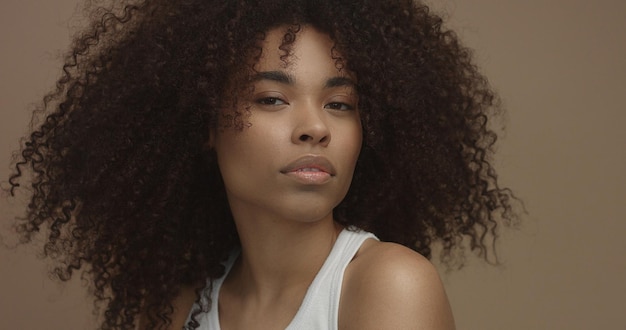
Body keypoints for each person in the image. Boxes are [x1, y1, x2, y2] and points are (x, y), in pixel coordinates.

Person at [6, 0, 516, 329]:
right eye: (272, 99)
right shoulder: (177, 309)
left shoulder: (388, 287)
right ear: (206, 122)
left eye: (340, 104)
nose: (315, 127)